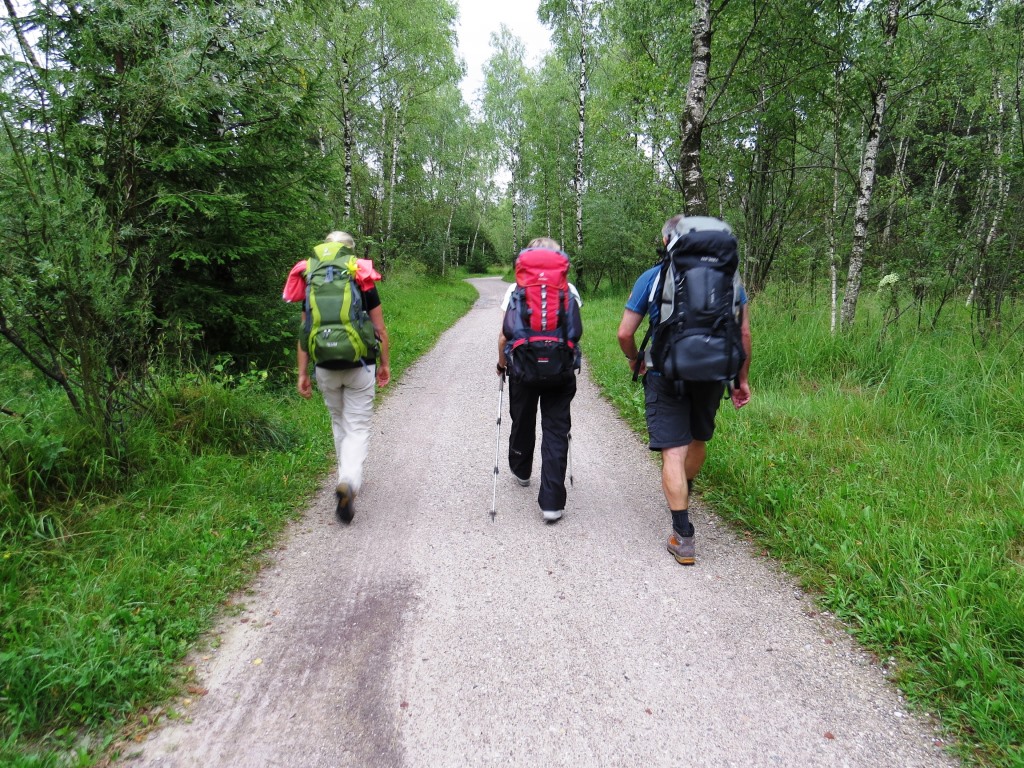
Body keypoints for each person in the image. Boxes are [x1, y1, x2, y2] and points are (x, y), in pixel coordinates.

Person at [617, 215, 751, 564]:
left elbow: (624, 333)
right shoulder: (729, 277)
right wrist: (741, 380)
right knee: (697, 440)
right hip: (712, 372)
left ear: (667, 241)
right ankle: (683, 490)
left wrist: (635, 360)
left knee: (672, 453)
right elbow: (743, 333)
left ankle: (683, 535)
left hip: (665, 371)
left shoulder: (655, 275)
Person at [285, 230, 391, 524]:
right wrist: (384, 364)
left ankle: (346, 474)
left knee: (338, 420)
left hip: (324, 366)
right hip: (360, 363)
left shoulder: (311, 278)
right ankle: (349, 479)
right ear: (350, 252)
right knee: (357, 425)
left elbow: (305, 332)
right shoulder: (361, 275)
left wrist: (302, 373)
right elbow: (379, 329)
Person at [497, 237, 583, 524]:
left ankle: (521, 470)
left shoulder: (516, 289)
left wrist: (501, 364)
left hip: (523, 367)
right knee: (556, 430)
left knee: (522, 417)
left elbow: (505, 335)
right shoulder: (568, 289)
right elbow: (573, 332)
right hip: (560, 369)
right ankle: (552, 503)